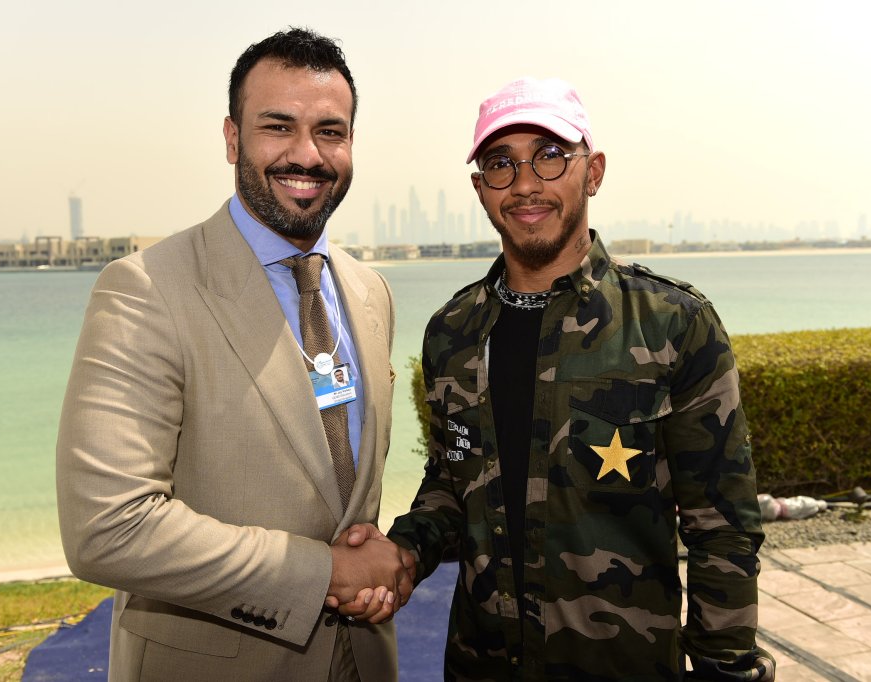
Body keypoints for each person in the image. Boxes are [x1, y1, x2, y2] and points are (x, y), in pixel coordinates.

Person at [352, 77, 774, 680]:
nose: (525, 183)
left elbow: (724, 527)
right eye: (501, 164)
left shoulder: (673, 323)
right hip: (480, 665)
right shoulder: (452, 331)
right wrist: (402, 553)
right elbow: (451, 481)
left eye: (550, 156)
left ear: (593, 171)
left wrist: (724, 668)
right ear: (480, 189)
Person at [56, 28, 412, 681]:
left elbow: (346, 500)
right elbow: (107, 526)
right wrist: (325, 573)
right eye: (278, 127)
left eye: (330, 131)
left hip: (362, 660)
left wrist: (377, 568)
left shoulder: (370, 293)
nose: (307, 154)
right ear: (231, 138)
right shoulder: (145, 290)